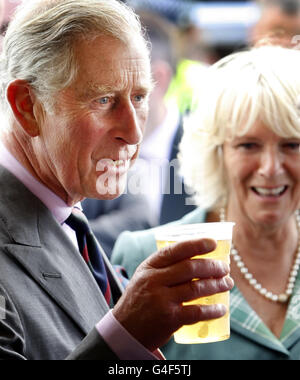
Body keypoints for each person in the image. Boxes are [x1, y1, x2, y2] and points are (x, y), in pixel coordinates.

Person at [0, 0, 233, 360]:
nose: (135, 132)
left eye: (139, 97)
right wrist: (124, 335)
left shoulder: (67, 215)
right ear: (27, 106)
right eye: (104, 100)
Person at [112, 44, 300, 360]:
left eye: (292, 145)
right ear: (217, 153)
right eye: (249, 145)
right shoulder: (150, 256)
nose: (270, 167)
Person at [83, 11, 197, 255]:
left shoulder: (209, 149)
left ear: (159, 79)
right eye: (103, 97)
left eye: (135, 94)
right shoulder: (81, 149)